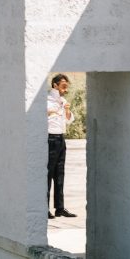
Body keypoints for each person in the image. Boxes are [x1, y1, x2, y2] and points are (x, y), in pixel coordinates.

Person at [47, 73, 76, 219]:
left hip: (61, 139)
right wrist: (53, 111)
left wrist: (66, 110)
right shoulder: (47, 100)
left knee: (60, 174)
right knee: (48, 174)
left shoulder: (63, 101)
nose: (65, 89)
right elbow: (45, 115)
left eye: (66, 87)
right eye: (63, 86)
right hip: (50, 139)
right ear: (55, 85)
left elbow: (70, 120)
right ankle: (43, 208)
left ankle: (60, 208)